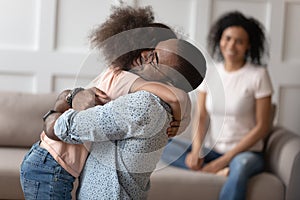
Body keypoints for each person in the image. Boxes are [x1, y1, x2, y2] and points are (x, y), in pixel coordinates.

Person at [20, 5, 206, 200]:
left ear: (171, 80)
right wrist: (179, 110)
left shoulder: (145, 101)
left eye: (155, 57)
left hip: (60, 164)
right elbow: (176, 97)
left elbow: (175, 100)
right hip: (51, 160)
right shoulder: (121, 77)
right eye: (147, 49)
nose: (145, 55)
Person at [161, 11, 273, 200]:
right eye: (227, 38)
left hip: (245, 154)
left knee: (242, 166)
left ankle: (221, 169)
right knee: (163, 146)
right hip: (213, 150)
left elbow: (262, 126)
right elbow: (202, 115)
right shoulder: (211, 73)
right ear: (219, 39)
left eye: (239, 41)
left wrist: (224, 161)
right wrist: (197, 151)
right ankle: (211, 171)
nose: (231, 45)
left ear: (248, 46)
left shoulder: (259, 75)